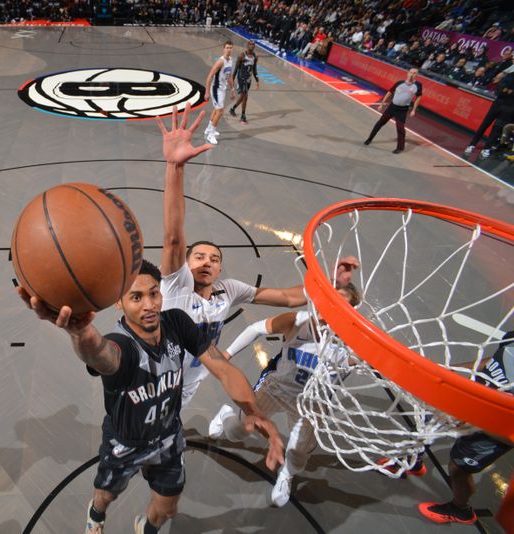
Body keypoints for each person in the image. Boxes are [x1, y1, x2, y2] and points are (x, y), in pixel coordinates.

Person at [17, 259, 284, 534]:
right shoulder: (121, 344)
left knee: (168, 508)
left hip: (169, 436)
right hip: (125, 442)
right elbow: (100, 354)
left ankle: (146, 529)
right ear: (119, 303)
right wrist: (80, 331)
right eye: (136, 297)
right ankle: (96, 514)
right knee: (106, 495)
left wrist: (254, 412)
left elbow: (223, 369)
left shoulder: (177, 323)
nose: (150, 305)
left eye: (154, 293)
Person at [160, 104, 359, 410]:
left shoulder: (229, 290)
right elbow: (173, 238)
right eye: (198, 256)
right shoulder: (176, 286)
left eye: (214, 258)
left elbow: (288, 298)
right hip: (157, 372)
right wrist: (175, 168)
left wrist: (332, 283)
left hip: (194, 374)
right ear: (186, 264)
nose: (206, 261)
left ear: (221, 268)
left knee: (170, 422)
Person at [208, 284, 362, 507]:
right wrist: (229, 353)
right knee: (236, 433)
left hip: (312, 402)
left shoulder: (353, 342)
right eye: (329, 300)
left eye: (340, 305)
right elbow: (255, 328)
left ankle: (287, 474)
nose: (330, 307)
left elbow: (354, 362)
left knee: (298, 451)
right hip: (276, 388)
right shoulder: (297, 321)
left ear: (349, 312)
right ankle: (226, 414)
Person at [418, 331, 513, 525]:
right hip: (471, 402)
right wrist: (454, 371)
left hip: (494, 429)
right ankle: (412, 461)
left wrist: (473, 418)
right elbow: (497, 361)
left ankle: (460, 510)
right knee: (426, 422)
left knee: (458, 467)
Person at [363, 68, 422, 154]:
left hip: (402, 110)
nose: (412, 74)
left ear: (417, 75)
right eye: (411, 72)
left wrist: (414, 110)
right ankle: (369, 139)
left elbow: (419, 97)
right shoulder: (399, 83)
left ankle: (400, 148)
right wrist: (382, 104)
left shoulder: (418, 85)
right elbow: (390, 92)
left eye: (414, 73)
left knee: (400, 129)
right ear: (408, 73)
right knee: (380, 123)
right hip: (392, 107)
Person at [464, 71, 514, 159]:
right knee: (485, 124)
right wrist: (507, 90)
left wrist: (509, 90)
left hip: (510, 108)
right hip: (497, 104)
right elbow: (499, 90)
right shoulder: (510, 75)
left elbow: (506, 90)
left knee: (497, 129)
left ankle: (487, 148)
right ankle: (472, 144)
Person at [203, 40, 234, 145]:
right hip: (216, 89)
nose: (229, 49)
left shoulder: (231, 60)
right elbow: (209, 76)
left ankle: (208, 128)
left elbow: (229, 76)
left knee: (216, 110)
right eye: (227, 47)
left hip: (223, 89)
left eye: (230, 48)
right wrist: (207, 92)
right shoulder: (220, 61)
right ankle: (210, 135)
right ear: (223, 49)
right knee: (220, 111)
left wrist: (232, 89)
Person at [229, 40, 260, 125]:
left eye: (254, 45)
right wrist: (232, 82)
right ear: (247, 45)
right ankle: (243, 116)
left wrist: (257, 80)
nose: (252, 46)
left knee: (243, 96)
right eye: (251, 44)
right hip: (241, 79)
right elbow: (235, 69)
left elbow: (254, 69)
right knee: (245, 96)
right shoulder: (241, 56)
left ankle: (232, 109)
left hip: (249, 79)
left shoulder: (255, 56)